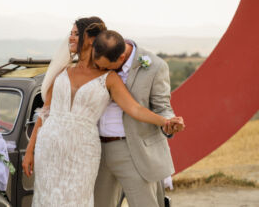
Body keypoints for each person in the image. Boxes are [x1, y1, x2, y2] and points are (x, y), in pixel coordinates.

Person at [22, 17, 184, 207]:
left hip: (86, 151)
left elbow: (135, 108)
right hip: (50, 148)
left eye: (76, 34)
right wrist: (30, 151)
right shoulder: (62, 71)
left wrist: (165, 122)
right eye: (71, 33)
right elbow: (44, 112)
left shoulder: (110, 77)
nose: (70, 38)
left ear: (90, 40)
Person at [92, 30, 184, 207]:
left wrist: (169, 122)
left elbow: (162, 106)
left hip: (134, 151)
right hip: (97, 151)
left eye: (106, 68)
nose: (102, 71)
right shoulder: (98, 59)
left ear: (121, 58)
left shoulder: (155, 66)